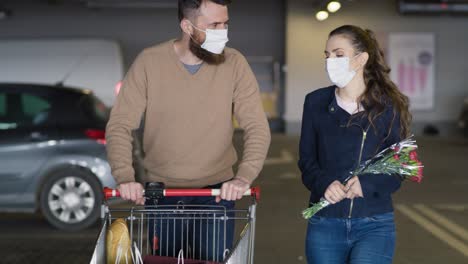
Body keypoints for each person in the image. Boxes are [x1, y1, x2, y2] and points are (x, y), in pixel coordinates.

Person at [105, 0, 271, 261]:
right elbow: (120, 124)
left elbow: (256, 126)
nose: (223, 32)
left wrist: (243, 177)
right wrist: (125, 176)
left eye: (225, 24)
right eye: (214, 25)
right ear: (187, 26)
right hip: (163, 192)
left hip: (217, 194)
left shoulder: (235, 63)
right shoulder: (150, 62)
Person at [298, 25, 412, 264]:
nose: (330, 61)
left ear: (361, 59)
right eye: (327, 55)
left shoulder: (389, 105)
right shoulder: (315, 102)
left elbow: (401, 163)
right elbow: (307, 161)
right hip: (325, 220)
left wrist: (367, 184)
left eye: (338, 55)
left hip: (374, 223)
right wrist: (324, 184)